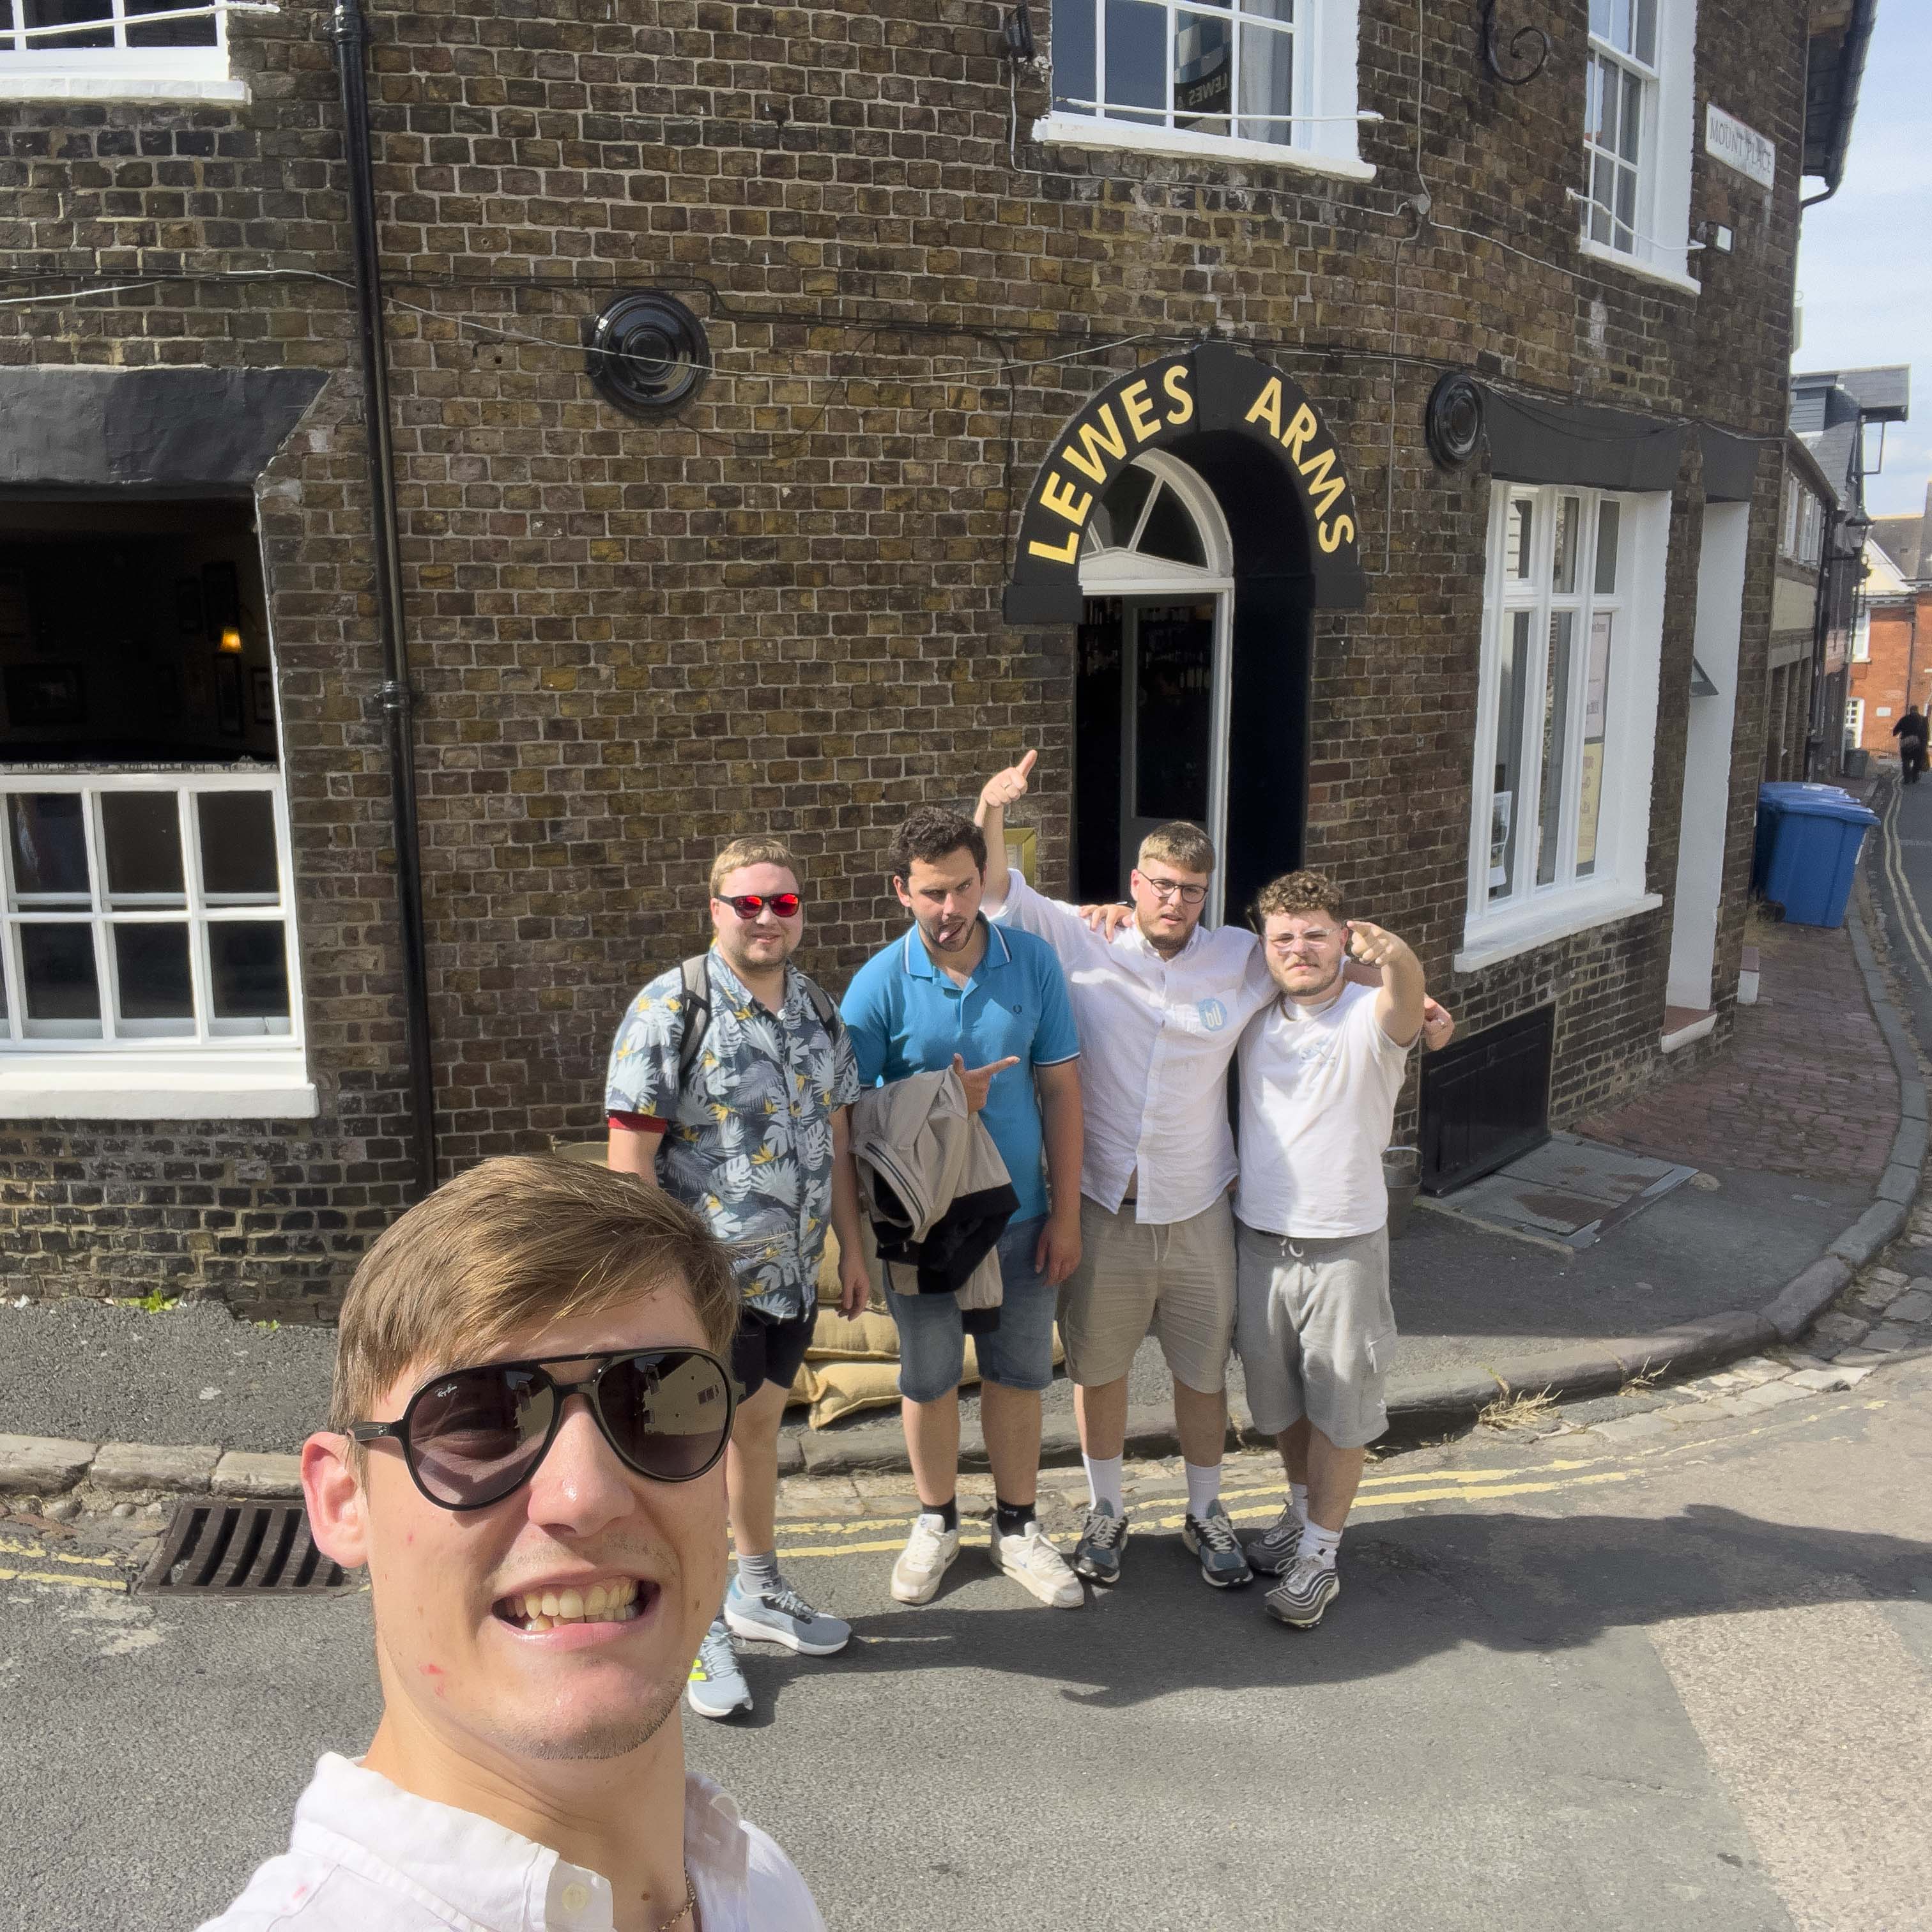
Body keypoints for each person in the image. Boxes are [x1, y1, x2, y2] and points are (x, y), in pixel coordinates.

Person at [202, 1156, 825, 1931]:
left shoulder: (760, 1885)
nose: (586, 1496)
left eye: (659, 1396)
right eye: (479, 1419)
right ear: (341, 1502)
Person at [974, 750, 1452, 1592]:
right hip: (1105, 1203)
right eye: (1160, 885)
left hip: (1200, 1207)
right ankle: (1107, 1509)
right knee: (1101, 1368)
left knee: (1202, 1373)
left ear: (1207, 896)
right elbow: (990, 892)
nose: (1173, 901)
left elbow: (1323, 951)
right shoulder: (1083, 937)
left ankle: (1205, 1510)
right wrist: (991, 809)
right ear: (1134, 883)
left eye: (1191, 890)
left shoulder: (1238, 955)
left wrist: (1415, 999)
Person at [604, 835, 869, 1722]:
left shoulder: (818, 1011)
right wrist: (647, 1286)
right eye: (748, 903)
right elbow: (629, 1160)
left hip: (789, 1277)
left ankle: (756, 1590)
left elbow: (835, 1138)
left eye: (783, 904)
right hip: (700, 1284)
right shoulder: (669, 1007)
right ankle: (694, 1625)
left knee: (757, 1434)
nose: (766, 918)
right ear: (715, 909)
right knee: (689, 1462)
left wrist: (852, 1250)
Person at [841, 805, 1088, 1609]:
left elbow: (1061, 1089)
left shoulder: (1035, 964)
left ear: (987, 880)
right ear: (901, 891)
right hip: (925, 1225)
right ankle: (936, 1521)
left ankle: (1016, 1526)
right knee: (931, 1379)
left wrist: (1068, 1214)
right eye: (933, 893)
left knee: (1018, 1376)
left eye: (965, 888)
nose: (952, 910)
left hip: (1020, 1218)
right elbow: (847, 1116)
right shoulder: (878, 983)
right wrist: (942, 1097)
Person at [1230, 871, 1423, 1631]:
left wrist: (1398, 958)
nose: (1299, 949)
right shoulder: (1254, 1017)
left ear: (1344, 936)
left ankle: (1320, 1558)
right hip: (1260, 1238)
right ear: (1265, 947)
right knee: (1279, 1402)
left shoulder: (1369, 1014)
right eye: (1283, 937)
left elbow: (1406, 1001)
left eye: (1315, 933)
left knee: (1342, 1409)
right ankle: (1303, 1512)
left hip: (1343, 1245)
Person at [1892, 705, 1926, 783]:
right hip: (1919, 745)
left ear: (1910, 711)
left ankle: (1907, 779)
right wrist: (1924, 746)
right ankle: (1915, 777)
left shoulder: (1904, 719)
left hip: (1906, 744)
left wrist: (1897, 733)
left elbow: (1895, 731)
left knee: (1906, 762)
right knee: (1917, 762)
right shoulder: (1923, 720)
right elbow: (1926, 734)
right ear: (1917, 710)